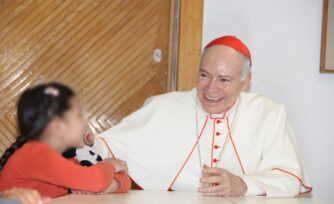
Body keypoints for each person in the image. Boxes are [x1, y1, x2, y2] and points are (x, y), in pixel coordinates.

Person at [82, 36, 312, 197]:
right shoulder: (165, 106)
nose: (211, 89)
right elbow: (108, 146)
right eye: (204, 75)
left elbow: (288, 177)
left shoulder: (270, 113)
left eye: (224, 79)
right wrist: (85, 138)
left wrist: (243, 185)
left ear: (245, 82)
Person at [0, 82, 131, 198]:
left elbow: (124, 181)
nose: (85, 123)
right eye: (79, 116)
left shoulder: (59, 160)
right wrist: (110, 165)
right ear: (58, 125)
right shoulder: (37, 155)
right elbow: (96, 181)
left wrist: (109, 186)